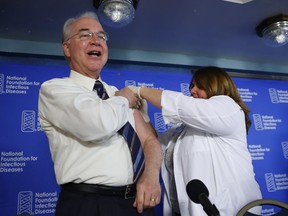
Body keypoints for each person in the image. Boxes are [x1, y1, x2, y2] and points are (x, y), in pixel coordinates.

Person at [38, 11, 163, 216]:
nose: (96, 41)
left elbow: (149, 140)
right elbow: (97, 126)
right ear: (67, 48)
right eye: (85, 35)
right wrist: (123, 99)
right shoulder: (55, 90)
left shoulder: (116, 94)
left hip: (136, 204)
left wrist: (150, 177)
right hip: (89, 205)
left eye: (102, 36)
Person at [129, 66, 262, 216]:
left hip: (232, 211)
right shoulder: (182, 129)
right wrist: (143, 115)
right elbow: (154, 143)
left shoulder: (228, 107)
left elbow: (182, 105)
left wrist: (138, 90)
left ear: (216, 86)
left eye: (200, 86)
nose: (192, 90)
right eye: (192, 85)